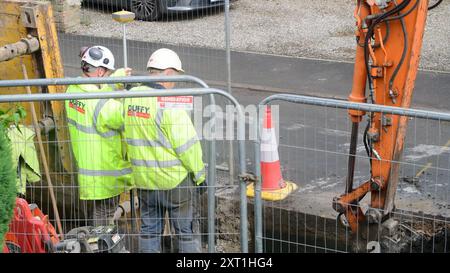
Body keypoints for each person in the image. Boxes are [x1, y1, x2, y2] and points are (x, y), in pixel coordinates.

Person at [123, 48, 206, 253]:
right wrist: (200, 176)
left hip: (144, 181)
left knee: (149, 231)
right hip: (174, 182)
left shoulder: (131, 97)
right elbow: (187, 146)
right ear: (168, 73)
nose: (175, 83)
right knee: (185, 232)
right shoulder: (169, 101)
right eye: (175, 77)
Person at [65, 45, 133, 227]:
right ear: (101, 71)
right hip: (107, 171)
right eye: (108, 73)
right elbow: (125, 116)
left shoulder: (73, 90)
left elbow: (97, 92)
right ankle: (102, 246)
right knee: (104, 219)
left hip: (88, 169)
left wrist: (114, 81)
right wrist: (130, 96)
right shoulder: (101, 103)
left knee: (96, 214)